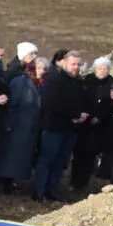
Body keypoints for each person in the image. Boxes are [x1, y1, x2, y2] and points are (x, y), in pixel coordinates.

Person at [34, 49, 90, 202]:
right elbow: (51, 103)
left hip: (70, 129)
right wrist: (75, 114)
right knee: (47, 159)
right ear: (65, 63)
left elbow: (82, 101)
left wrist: (82, 114)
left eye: (78, 64)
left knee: (60, 161)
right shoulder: (54, 79)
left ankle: (53, 190)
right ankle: (40, 191)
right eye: (73, 64)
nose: (76, 67)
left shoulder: (78, 81)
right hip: (53, 126)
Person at [0, 54, 45, 195]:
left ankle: (9, 182)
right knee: (7, 156)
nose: (42, 71)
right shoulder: (20, 82)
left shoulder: (40, 84)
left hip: (28, 128)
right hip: (15, 126)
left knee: (19, 159)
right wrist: (8, 124)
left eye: (44, 68)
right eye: (39, 68)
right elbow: (11, 104)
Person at [70, 56, 113, 196]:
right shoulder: (87, 80)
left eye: (105, 68)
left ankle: (84, 183)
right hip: (83, 122)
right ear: (95, 68)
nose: (102, 71)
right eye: (99, 68)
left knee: (91, 155)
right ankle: (74, 182)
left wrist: (100, 117)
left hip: (100, 126)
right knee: (78, 153)